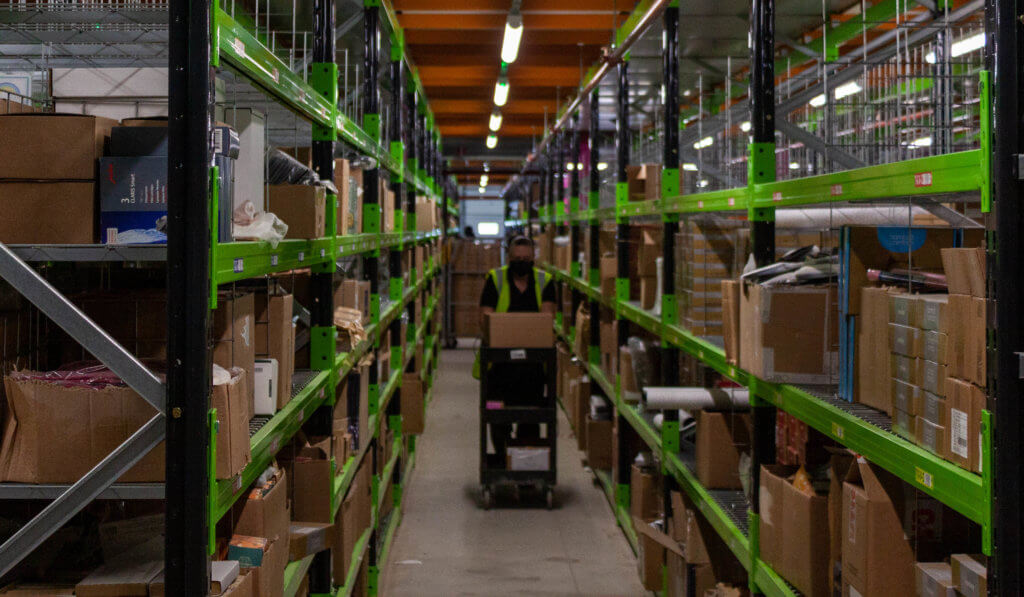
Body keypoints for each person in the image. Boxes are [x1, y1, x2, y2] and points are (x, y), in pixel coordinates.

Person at [478, 235, 555, 462]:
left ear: (533, 258)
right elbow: (484, 318)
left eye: (526, 258)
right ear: (509, 258)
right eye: (517, 258)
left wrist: (512, 327)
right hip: (500, 370)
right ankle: (503, 457)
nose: (521, 262)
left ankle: (526, 463)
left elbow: (547, 319)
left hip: (532, 370)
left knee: (530, 418)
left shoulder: (545, 281)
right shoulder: (496, 279)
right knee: (496, 413)